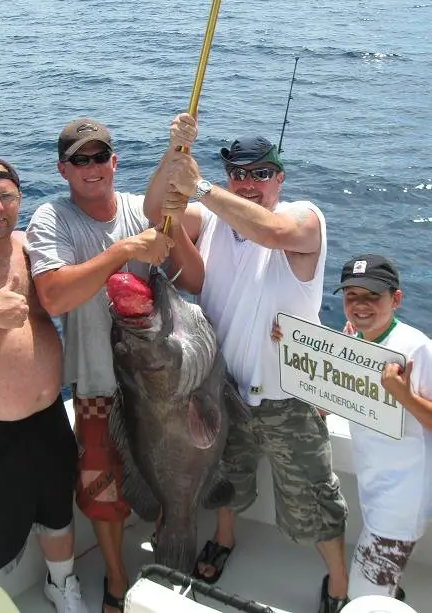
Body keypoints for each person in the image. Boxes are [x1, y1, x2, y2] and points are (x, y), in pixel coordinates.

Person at [144, 114, 349, 613]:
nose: (249, 182)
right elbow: (156, 213)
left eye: (261, 173)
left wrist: (206, 188)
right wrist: (173, 155)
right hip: (223, 390)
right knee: (226, 483)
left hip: (289, 400)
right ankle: (225, 541)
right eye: (239, 172)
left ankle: (340, 585)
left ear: (280, 178)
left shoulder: (304, 218)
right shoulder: (212, 221)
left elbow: (274, 233)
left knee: (313, 499)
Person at [25, 118, 200, 613]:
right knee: (101, 488)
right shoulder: (52, 220)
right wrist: (124, 251)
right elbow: (55, 295)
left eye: (100, 156)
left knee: (170, 473)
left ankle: (171, 560)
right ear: (62, 170)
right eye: (80, 160)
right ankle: (118, 582)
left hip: (160, 384)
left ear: (115, 162)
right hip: (99, 385)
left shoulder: (140, 210)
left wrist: (174, 150)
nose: (92, 167)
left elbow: (187, 276)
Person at [0, 157, 88, 613]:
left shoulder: (31, 249)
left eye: (7, 196)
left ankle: (62, 586)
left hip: (46, 420)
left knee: (57, 512)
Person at [332, 254, 432, 601]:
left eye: (372, 296)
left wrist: (404, 395)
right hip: (374, 488)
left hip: (401, 502)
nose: (360, 306)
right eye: (351, 296)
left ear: (396, 299)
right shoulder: (355, 340)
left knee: (364, 597)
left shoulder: (416, 348)